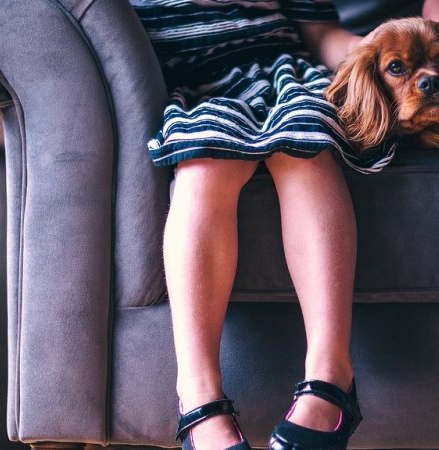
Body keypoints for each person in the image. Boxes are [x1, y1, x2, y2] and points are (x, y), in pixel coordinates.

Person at [130, 1, 368, 449]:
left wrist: (368, 51)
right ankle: (198, 396)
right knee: (202, 166)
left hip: (284, 71)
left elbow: (321, 33)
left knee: (304, 147)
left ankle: (331, 375)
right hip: (195, 80)